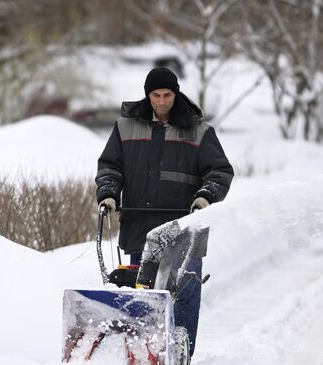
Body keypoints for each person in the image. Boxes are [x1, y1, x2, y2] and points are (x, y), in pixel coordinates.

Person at [95, 67, 233, 357]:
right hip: (141, 229)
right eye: (155, 95)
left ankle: (181, 356)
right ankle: (147, 357)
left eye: (167, 95)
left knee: (183, 296)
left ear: (176, 93)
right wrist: (108, 193)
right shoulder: (126, 127)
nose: (161, 101)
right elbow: (110, 166)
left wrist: (205, 198)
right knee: (144, 297)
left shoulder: (198, 130)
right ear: (147, 95)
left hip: (186, 230)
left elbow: (219, 171)